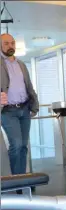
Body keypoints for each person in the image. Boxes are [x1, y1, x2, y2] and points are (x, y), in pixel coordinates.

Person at [1, 33, 39, 191]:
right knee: (16, 144)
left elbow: (28, 86)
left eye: (12, 43)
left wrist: (34, 104)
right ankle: (16, 181)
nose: (10, 46)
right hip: (7, 111)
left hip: (24, 108)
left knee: (23, 145)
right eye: (6, 43)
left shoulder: (21, 64)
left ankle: (21, 179)